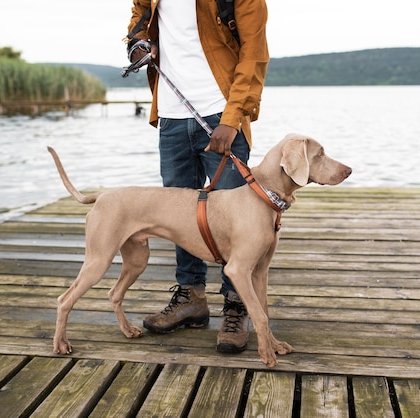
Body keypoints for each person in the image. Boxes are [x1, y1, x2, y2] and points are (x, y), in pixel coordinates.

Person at [125, 0, 269, 354]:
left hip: (220, 112)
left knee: (238, 222)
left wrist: (232, 119)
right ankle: (191, 297)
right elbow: (139, 17)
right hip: (171, 115)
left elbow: (255, 52)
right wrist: (138, 44)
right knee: (178, 217)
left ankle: (237, 307)